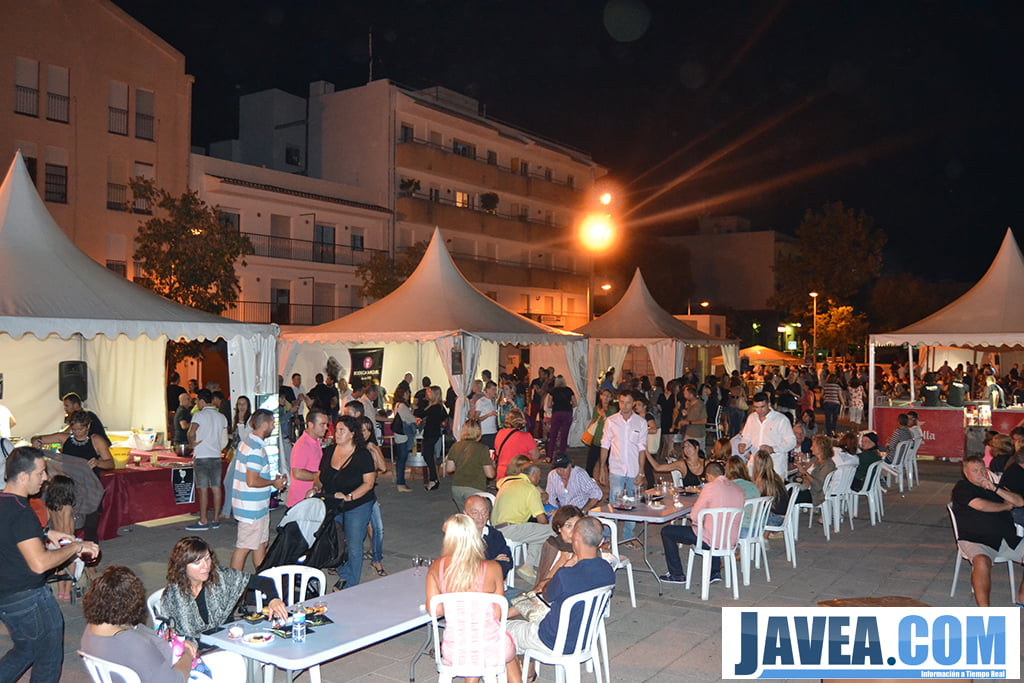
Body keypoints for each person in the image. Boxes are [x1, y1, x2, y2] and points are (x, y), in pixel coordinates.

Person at [0, 446, 99, 683]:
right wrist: (75, 547)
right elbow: (39, 564)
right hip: (27, 598)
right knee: (48, 656)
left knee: (26, 650)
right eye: (41, 473)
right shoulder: (21, 512)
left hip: (6, 595)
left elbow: (11, 532)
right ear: (23, 476)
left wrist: (45, 532)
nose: (45, 479)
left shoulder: (5, 502)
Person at [425, 514, 523, 683]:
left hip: (455, 650)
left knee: (477, 651)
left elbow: (435, 610)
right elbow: (498, 613)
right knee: (506, 649)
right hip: (491, 647)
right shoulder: (492, 568)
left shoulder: (437, 566)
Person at [506, 516, 615, 657]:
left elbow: (546, 595)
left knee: (500, 631)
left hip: (551, 640)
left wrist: (562, 567)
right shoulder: (607, 570)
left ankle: (524, 675)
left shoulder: (566, 574)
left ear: (575, 541)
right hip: (583, 639)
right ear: (601, 542)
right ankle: (528, 669)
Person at [81, 565, 203, 683]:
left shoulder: (90, 630)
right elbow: (176, 680)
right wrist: (187, 654)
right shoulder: (134, 645)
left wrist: (173, 643)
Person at [160, 536, 288, 643]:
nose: (205, 566)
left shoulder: (221, 577)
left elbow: (264, 582)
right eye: (197, 563)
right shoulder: (173, 597)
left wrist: (273, 599)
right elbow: (170, 636)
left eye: (207, 559)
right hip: (191, 650)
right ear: (183, 566)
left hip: (227, 639)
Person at [950, 455, 1024, 607]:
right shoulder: (962, 487)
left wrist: (995, 489)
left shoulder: (994, 486)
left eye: (982, 470)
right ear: (966, 473)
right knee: (981, 561)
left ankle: (1022, 598)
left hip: (1006, 538)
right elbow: (981, 505)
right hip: (976, 539)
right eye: (975, 471)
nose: (980, 474)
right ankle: (985, 612)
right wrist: (1005, 506)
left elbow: (1019, 501)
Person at [313, 415, 377, 588]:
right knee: (337, 541)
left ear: (352, 434)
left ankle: (351, 583)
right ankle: (344, 572)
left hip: (357, 503)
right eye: (336, 430)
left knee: (354, 542)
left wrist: (349, 497)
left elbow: (369, 483)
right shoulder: (329, 451)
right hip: (334, 503)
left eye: (342, 430)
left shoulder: (362, 455)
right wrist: (314, 488)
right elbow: (321, 476)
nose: (337, 433)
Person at [659, 460, 744, 584]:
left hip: (711, 539)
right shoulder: (738, 489)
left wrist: (701, 523)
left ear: (709, 475)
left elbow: (695, 515)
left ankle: (676, 574)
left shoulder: (710, 487)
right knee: (715, 528)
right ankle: (715, 572)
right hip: (730, 539)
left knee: (667, 531)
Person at [229, 409, 288, 571]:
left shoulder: (248, 442)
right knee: (244, 547)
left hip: (256, 506)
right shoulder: (255, 448)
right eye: (272, 423)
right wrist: (273, 483)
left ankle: (263, 581)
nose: (274, 427)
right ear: (265, 424)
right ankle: (233, 588)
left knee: (261, 544)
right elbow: (252, 480)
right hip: (251, 508)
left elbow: (253, 475)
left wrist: (271, 480)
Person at [597, 389, 647, 543]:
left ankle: (628, 535)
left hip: (633, 468)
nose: (624, 406)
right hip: (616, 467)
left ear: (634, 404)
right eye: (621, 402)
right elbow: (605, 445)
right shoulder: (611, 421)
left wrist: (641, 472)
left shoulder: (641, 422)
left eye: (628, 402)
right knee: (614, 501)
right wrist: (602, 468)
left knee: (632, 502)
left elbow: (642, 448)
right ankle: (608, 535)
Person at [492, 463, 550, 583]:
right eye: (538, 477)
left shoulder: (506, 483)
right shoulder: (530, 489)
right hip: (511, 529)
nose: (539, 480)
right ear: (533, 475)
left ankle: (529, 567)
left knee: (537, 532)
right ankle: (535, 567)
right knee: (553, 530)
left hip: (496, 528)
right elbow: (542, 520)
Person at [186, 389, 228, 531]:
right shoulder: (221, 417)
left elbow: (191, 432)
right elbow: (224, 439)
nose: (196, 403)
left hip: (202, 456)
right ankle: (216, 519)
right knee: (216, 488)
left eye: (197, 400)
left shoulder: (199, 415)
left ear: (202, 401)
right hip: (216, 456)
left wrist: (192, 443)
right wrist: (217, 447)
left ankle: (203, 520)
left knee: (203, 489)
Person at [738, 392, 797, 481]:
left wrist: (773, 449)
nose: (759, 411)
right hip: (755, 464)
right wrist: (743, 444)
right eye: (756, 407)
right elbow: (747, 437)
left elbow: (792, 442)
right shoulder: (752, 418)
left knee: (774, 493)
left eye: (762, 407)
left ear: (769, 405)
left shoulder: (781, 419)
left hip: (775, 465)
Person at [358, 416, 389, 577]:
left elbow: (383, 468)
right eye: (362, 429)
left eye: (368, 430)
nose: (365, 433)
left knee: (378, 528)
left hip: (370, 495)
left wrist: (374, 450)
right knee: (353, 532)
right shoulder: (352, 447)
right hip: (354, 495)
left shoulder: (371, 447)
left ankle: (377, 560)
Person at [445, 420, 497, 512]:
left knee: (466, 515)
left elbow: (449, 468)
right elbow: (490, 474)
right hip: (475, 487)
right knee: (476, 516)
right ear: (479, 432)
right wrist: (493, 465)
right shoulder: (482, 448)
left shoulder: (455, 446)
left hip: (457, 487)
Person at [533, 505, 585, 593]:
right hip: (545, 592)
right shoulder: (551, 545)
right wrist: (561, 560)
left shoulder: (584, 548)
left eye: (577, 527)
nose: (573, 531)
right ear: (559, 528)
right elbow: (542, 581)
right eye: (568, 526)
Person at [42, 474, 77, 602]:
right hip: (66, 539)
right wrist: (71, 542)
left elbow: (46, 521)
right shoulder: (67, 507)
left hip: (54, 540)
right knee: (71, 565)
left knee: (60, 567)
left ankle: (61, 591)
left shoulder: (50, 505)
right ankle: (67, 591)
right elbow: (67, 527)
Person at [464, 495, 513, 582]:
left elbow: (508, 562)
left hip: (493, 585)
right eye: (475, 513)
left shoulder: (495, 535)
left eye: (484, 512)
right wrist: (493, 563)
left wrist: (484, 565)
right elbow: (465, 569)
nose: (480, 517)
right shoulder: (460, 537)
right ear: (466, 514)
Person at [287, 408, 329, 507]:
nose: (326, 428)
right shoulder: (303, 445)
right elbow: (297, 473)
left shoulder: (315, 441)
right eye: (322, 424)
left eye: (326, 424)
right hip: (301, 501)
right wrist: (321, 477)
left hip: (311, 498)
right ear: (310, 425)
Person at [493, 409, 540, 479]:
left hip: (502, 473)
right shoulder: (526, 436)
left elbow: (497, 452)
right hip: (519, 473)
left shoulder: (500, 433)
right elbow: (536, 456)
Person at [794, 434, 837, 507]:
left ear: (821, 448)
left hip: (814, 494)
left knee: (787, 495)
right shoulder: (814, 459)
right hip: (806, 489)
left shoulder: (827, 464)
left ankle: (783, 516)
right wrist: (805, 477)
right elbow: (801, 475)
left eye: (813, 446)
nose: (811, 448)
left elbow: (818, 486)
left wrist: (805, 473)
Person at [750, 448, 789, 527]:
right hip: (784, 516)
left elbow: (758, 499)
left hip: (774, 518)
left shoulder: (762, 480)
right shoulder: (775, 476)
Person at [390, 386, 417, 493]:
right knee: (402, 460)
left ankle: (401, 482)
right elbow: (411, 419)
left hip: (399, 435)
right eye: (406, 393)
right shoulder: (402, 406)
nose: (408, 395)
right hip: (403, 436)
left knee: (400, 460)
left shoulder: (397, 405)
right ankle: (400, 483)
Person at [420, 386, 448, 491]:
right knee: (429, 456)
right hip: (433, 433)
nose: (427, 395)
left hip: (431, 434)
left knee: (428, 457)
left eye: (429, 393)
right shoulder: (438, 407)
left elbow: (422, 414)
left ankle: (433, 479)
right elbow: (444, 417)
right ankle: (434, 479)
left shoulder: (435, 407)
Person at [545, 375, 576, 462]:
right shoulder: (569, 390)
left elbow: (549, 404)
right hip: (567, 413)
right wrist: (568, 405)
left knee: (553, 435)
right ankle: (562, 455)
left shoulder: (553, 391)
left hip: (557, 413)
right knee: (564, 435)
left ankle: (549, 456)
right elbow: (575, 403)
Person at [475, 381, 500, 449]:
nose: (495, 392)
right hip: (485, 432)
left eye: (495, 389)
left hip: (494, 431)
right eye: (493, 390)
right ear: (487, 390)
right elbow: (477, 418)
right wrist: (489, 414)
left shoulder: (494, 401)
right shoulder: (481, 401)